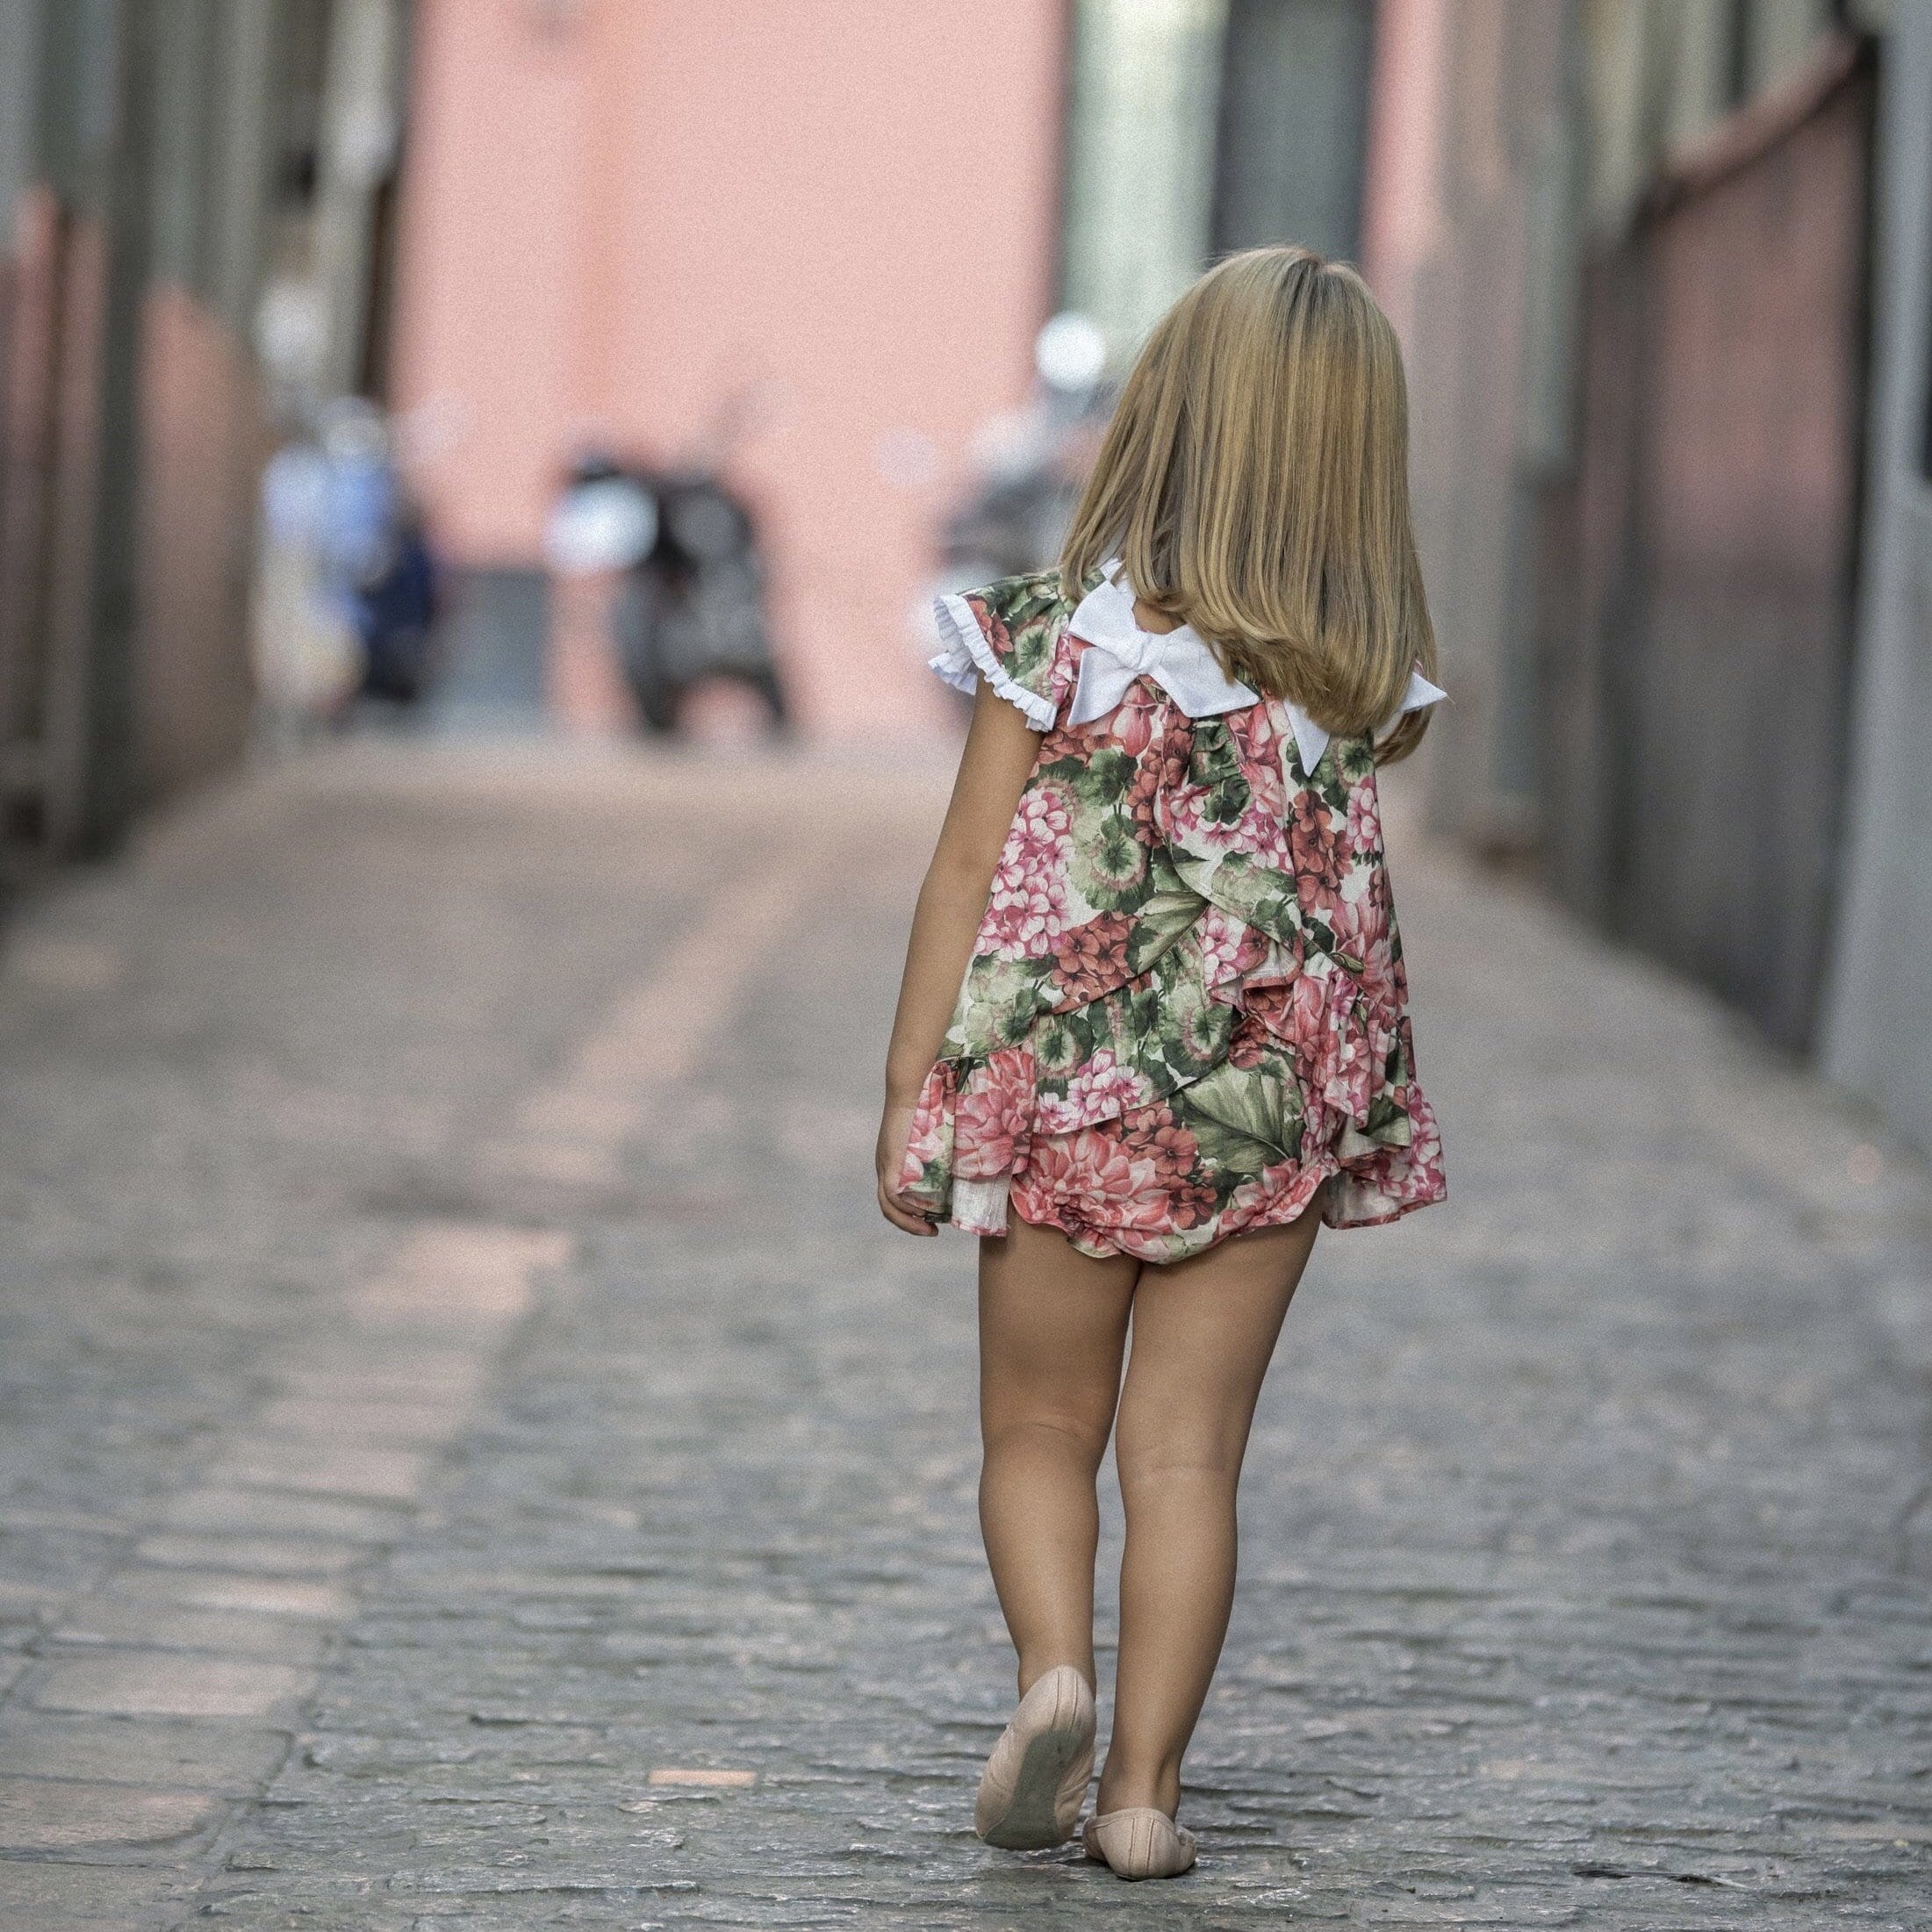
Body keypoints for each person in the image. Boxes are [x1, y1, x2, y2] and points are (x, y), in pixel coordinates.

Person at [874, 248, 1447, 1882]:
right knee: (1188, 1452)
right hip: (1263, 1097)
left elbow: (966, 868)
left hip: (1065, 1082)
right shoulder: (1350, 681)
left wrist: (914, 1089)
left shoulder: (1054, 641)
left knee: (1038, 1426)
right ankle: (1141, 1798)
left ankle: (1052, 1673)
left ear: (1163, 415)